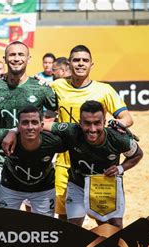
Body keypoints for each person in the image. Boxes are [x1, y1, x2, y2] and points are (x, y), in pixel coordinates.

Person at [50, 44, 133, 221]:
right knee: (65, 219)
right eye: (76, 60)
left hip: (97, 164)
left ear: (91, 65)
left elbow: (127, 118)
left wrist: (116, 125)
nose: (81, 64)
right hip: (65, 164)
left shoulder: (104, 90)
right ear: (69, 64)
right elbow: (47, 118)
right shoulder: (56, 87)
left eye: (85, 60)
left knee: (105, 219)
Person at [0, 41, 57, 206]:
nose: (16, 58)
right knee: (0, 212)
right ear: (5, 58)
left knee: (33, 217)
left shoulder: (40, 87)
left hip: (33, 161)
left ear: (29, 59)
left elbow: (54, 115)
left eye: (21, 54)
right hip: (1, 158)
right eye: (12, 55)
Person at [46, 101, 142, 228]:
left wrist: (120, 168)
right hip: (78, 184)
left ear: (104, 122)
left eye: (97, 123)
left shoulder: (118, 138)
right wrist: (14, 131)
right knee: (73, 227)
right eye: (87, 123)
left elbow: (137, 154)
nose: (92, 129)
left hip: (106, 185)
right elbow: (41, 125)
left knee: (115, 227)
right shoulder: (72, 130)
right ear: (80, 122)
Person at [0, 106, 67, 215]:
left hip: (43, 189)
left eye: (34, 122)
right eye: (25, 123)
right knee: (4, 224)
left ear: (42, 126)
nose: (30, 127)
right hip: (11, 187)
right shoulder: (5, 138)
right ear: (18, 126)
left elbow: (75, 132)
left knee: (44, 227)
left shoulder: (54, 141)